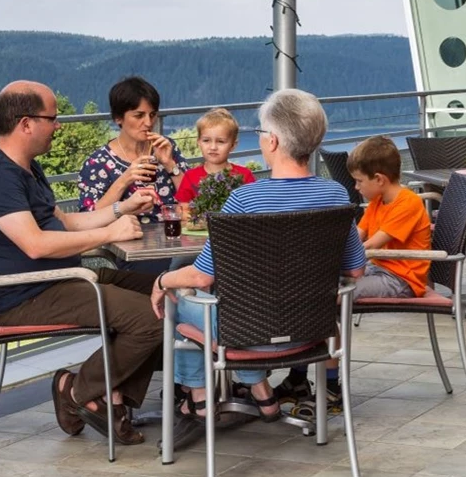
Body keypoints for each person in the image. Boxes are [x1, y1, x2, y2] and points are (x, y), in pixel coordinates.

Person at [150, 89, 367, 441]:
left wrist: (162, 281)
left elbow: (203, 275)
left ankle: (201, 400)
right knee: (206, 301)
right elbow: (355, 270)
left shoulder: (245, 198)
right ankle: (255, 392)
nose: (262, 139)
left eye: (263, 133)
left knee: (180, 298)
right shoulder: (336, 195)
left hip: (248, 335)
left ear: (274, 142)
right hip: (313, 332)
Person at [0, 81, 163, 445]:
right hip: (27, 295)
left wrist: (121, 209)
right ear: (25, 123)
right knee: (151, 316)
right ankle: (77, 392)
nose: (58, 125)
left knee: (166, 293)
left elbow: (65, 223)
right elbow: (35, 245)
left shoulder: (27, 168)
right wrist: (108, 233)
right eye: (52, 118)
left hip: (64, 278)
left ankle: (108, 398)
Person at [78, 76, 189, 223]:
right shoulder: (98, 163)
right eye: (139, 115)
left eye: (152, 114)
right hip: (127, 240)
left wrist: (170, 165)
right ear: (118, 118)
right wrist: (125, 179)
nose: (148, 123)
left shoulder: (166, 147)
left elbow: (194, 200)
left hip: (172, 236)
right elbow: (87, 219)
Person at [347, 136, 433, 298]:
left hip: (402, 279)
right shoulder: (378, 201)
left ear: (379, 179)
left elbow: (371, 245)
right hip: (378, 268)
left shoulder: (408, 203)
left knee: (338, 293)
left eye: (359, 181)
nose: (356, 187)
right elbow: (357, 235)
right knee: (327, 284)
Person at [174, 108, 256, 209]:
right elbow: (182, 210)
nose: (213, 147)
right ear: (198, 142)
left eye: (220, 141)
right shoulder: (190, 177)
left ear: (233, 145)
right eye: (206, 140)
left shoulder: (245, 176)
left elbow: (253, 209)